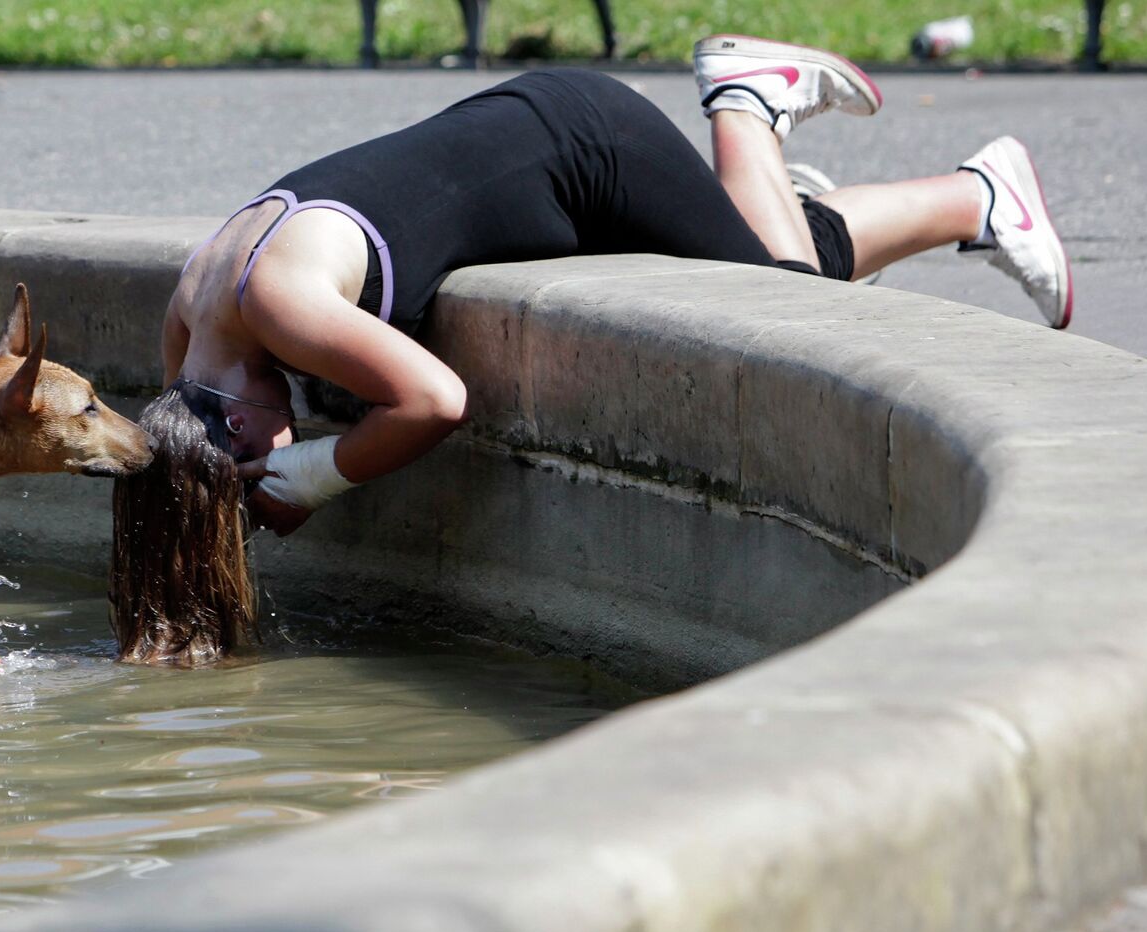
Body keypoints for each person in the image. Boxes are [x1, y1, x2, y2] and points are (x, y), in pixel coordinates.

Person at [110, 35, 1073, 665]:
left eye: (256, 458)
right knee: (775, 256)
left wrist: (315, 475)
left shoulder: (272, 301)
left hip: (581, 146)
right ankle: (936, 197)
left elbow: (437, 402)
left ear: (231, 424)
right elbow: (179, 465)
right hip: (518, 143)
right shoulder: (191, 315)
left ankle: (758, 103)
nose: (269, 457)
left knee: (784, 306)